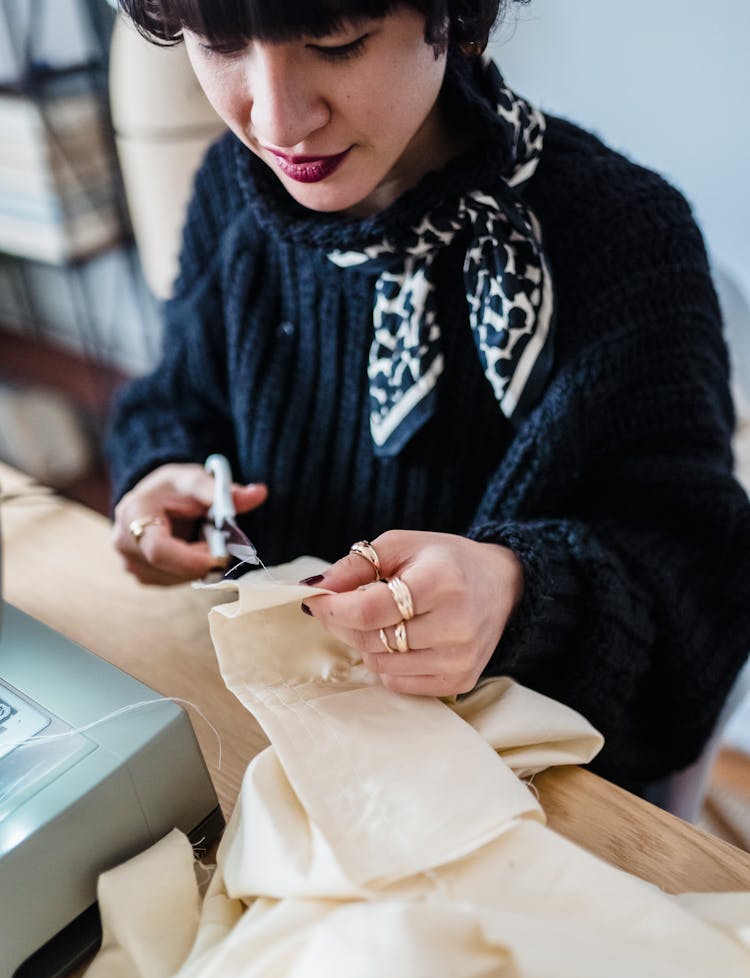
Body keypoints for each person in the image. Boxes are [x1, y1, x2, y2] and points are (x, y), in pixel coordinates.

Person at [108, 0, 750, 797]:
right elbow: (179, 395)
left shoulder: (628, 240)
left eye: (335, 44)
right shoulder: (233, 197)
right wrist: (160, 479)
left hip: (530, 798)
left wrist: (518, 590)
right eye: (221, 45)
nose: (278, 119)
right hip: (288, 749)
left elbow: (702, 591)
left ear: (457, 16)